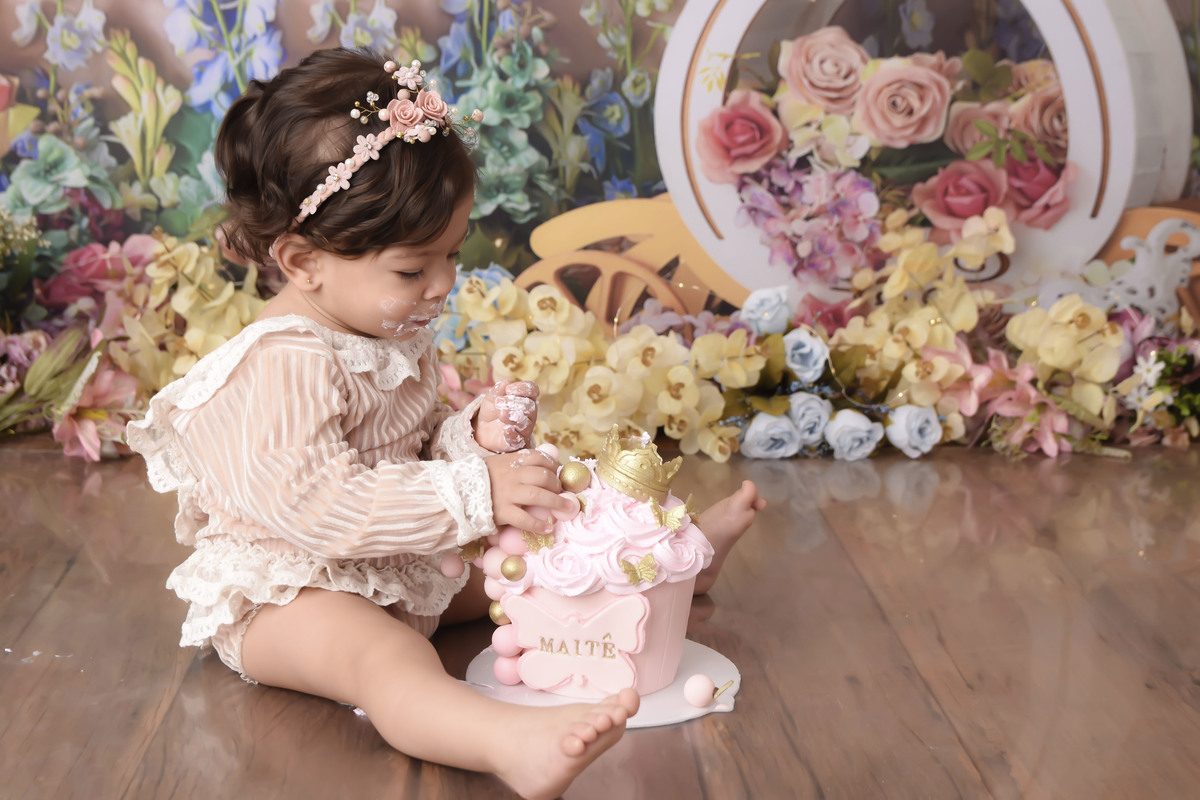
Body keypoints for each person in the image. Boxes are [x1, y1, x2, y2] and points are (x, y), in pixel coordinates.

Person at [127, 47, 763, 800]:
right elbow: (319, 507)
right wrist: (476, 491)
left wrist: (472, 436)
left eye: (453, 254)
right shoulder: (280, 363)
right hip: (292, 591)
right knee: (388, 660)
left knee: (534, 556)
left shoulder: (383, 327)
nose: (443, 284)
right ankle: (508, 744)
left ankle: (660, 571)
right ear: (302, 261)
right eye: (413, 268)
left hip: (391, 560)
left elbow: (417, 436)